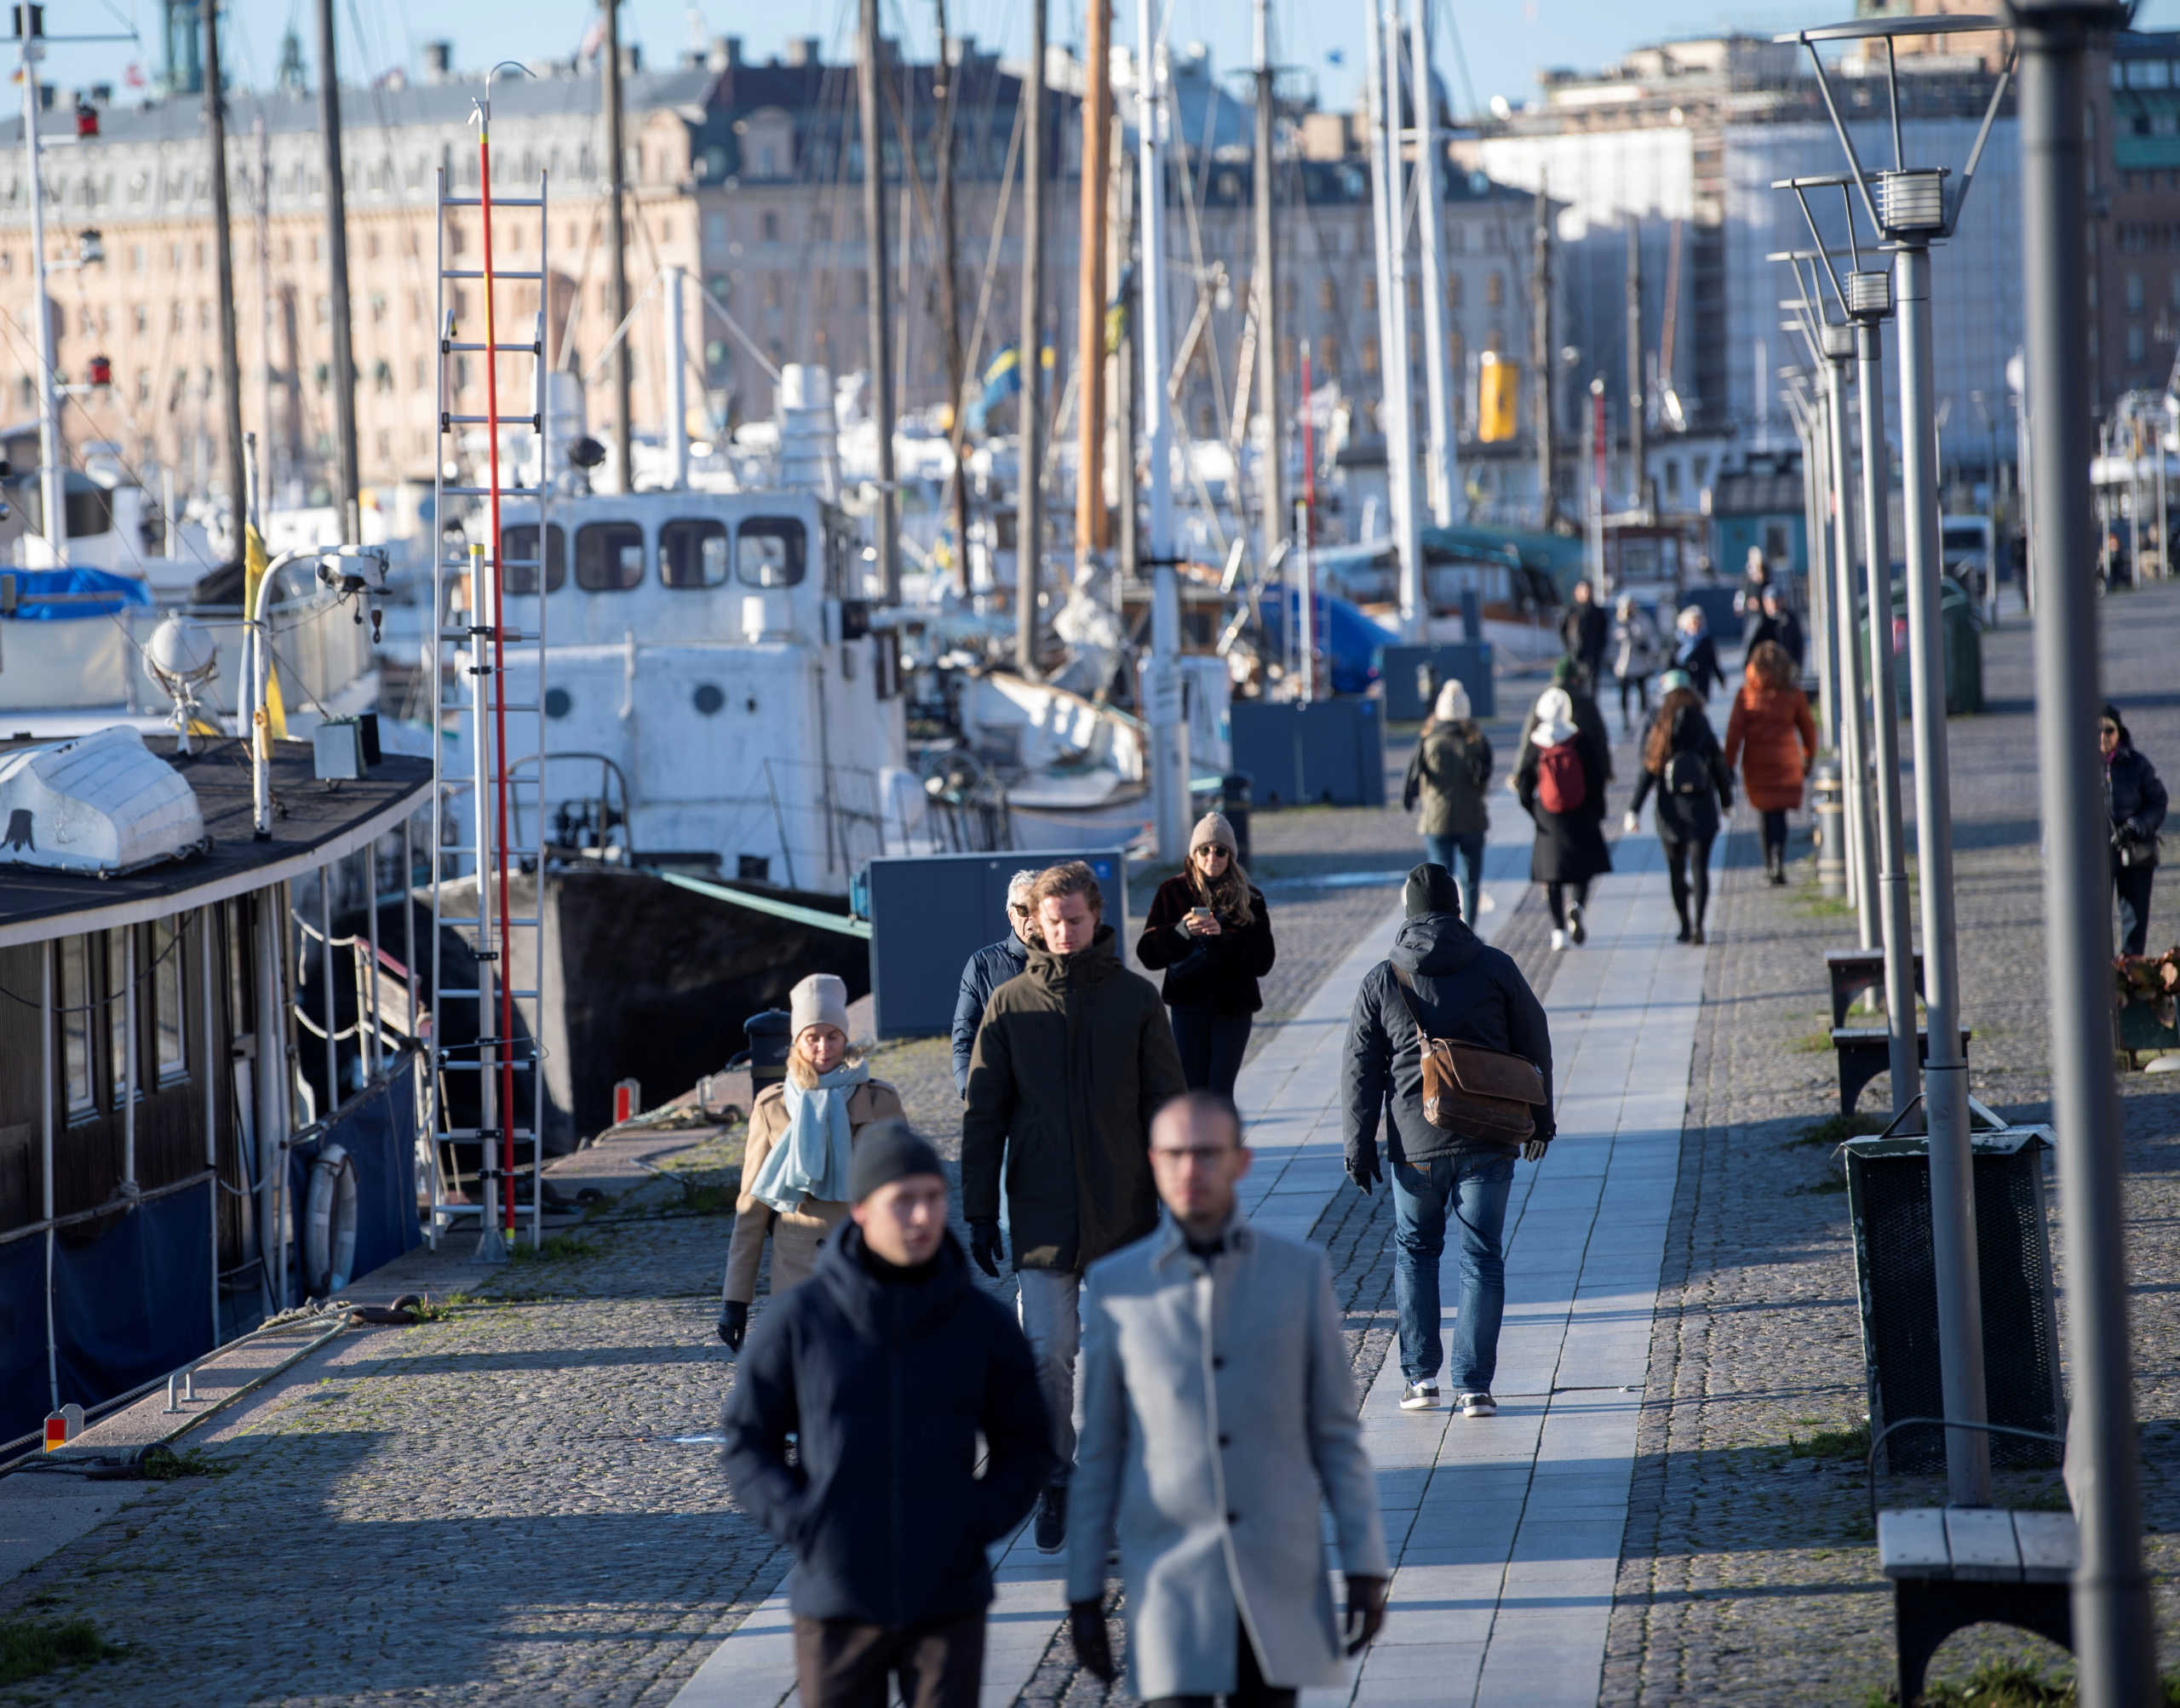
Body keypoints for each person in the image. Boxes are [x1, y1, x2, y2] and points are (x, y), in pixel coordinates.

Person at [1066, 1092, 1390, 1706]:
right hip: (1170, 1586)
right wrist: (1084, 1590)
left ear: (1241, 1162)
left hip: (1277, 1574)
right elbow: (1102, 1449)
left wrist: (1365, 1565)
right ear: (1153, 1164)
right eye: (1176, 1155)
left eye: (1208, 1154)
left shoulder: (1298, 1273)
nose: (1192, 1170)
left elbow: (1335, 1435)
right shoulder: (1117, 1285)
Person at [720, 1123, 1056, 1708]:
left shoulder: (983, 1323)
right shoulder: (801, 1321)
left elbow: (1026, 1445)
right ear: (861, 1212)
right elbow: (748, 1443)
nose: (923, 1217)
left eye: (932, 1198)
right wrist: (808, 1522)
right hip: (837, 1602)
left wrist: (973, 1522)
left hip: (948, 1600)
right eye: (903, 1201)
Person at [962, 859, 1187, 1553]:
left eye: (1075, 920)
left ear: (1095, 917)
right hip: (1040, 1212)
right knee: (1049, 1354)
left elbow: (1168, 1107)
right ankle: (1057, 1477)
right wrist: (977, 1209)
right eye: (1051, 921)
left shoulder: (1134, 1000)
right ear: (1035, 921)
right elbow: (983, 1115)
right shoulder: (1008, 1006)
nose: (1063, 932)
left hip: (1125, 1213)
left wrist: (1183, 1199)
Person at [1340, 866, 1555, 1416]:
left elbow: (1360, 1072)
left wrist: (1358, 1147)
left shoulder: (1383, 978)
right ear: (1458, 908)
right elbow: (1535, 1040)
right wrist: (1541, 1118)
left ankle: (1419, 1380)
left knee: (1415, 1252)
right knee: (1481, 1258)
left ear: (1408, 911)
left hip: (1416, 1146)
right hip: (1489, 1137)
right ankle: (1475, 1387)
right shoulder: (1495, 967)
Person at [719, 974, 906, 1352]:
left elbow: (906, 1195)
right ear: (797, 1042)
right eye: (812, 1037)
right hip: (797, 1271)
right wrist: (735, 1300)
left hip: (866, 1264)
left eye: (832, 1036)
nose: (823, 1048)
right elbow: (752, 1208)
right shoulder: (773, 1106)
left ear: (845, 1037)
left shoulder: (881, 1101)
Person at [1136, 813, 1276, 1098]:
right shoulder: (1172, 891)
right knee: (1193, 1090)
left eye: (1220, 850)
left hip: (1234, 1007)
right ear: (1194, 853)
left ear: (1231, 856)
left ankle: (1225, 1144)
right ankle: (1199, 1144)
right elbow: (1148, 954)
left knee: (1221, 1092)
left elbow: (1263, 961)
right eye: (1205, 849)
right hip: (1188, 1005)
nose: (1212, 856)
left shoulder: (1251, 898)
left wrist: (1222, 938)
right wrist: (1181, 932)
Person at [1625, 680, 1734, 944]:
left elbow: (1648, 773)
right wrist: (1726, 801)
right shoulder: (1702, 725)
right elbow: (1719, 765)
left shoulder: (1662, 727)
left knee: (1676, 871)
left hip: (1670, 812)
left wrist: (1633, 810)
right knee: (1700, 869)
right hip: (1701, 809)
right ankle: (1699, 925)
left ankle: (1684, 925)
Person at [1516, 685, 1612, 951]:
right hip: (1580, 812)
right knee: (1582, 869)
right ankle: (1578, 906)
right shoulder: (1580, 740)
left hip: (1548, 816)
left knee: (1552, 876)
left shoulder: (1537, 743)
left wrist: (1534, 809)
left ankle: (1558, 930)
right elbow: (1596, 779)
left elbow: (1523, 784)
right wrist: (1597, 810)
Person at [1724, 639, 1819, 886]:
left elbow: (1735, 732)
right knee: (1781, 814)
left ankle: (1769, 863)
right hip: (1786, 759)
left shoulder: (1746, 695)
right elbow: (1808, 728)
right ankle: (1779, 859)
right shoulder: (1793, 694)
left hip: (1757, 761)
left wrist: (1728, 764)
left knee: (1766, 814)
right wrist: (1808, 756)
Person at [1402, 679, 1493, 926]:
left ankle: (1442, 930)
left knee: (1440, 882)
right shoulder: (1476, 741)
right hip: (1472, 819)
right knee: (1470, 881)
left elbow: (1411, 778)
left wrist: (1409, 800)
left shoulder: (1428, 740)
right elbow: (1485, 774)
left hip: (1437, 820)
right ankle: (1470, 931)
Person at [951, 869, 1043, 1098]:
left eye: (1038, 908)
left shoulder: (1068, 960)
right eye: (1024, 909)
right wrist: (970, 1092)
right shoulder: (982, 965)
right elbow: (964, 1038)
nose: (1031, 917)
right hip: (1005, 1103)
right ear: (1011, 915)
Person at [2104, 702, 2169, 956]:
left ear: (2119, 732)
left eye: (2109, 730)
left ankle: (2132, 981)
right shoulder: (2078, 767)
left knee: (2135, 921)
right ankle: (2103, 980)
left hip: (2135, 852)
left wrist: (2135, 827)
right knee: (2095, 923)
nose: (2103, 737)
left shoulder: (2137, 764)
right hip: (2097, 853)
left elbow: (2158, 802)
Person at [1610, 593, 1661, 737]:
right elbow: (1612, 643)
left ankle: (1643, 718)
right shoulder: (1617, 623)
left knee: (1642, 692)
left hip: (1641, 664)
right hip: (1623, 665)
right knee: (1624, 694)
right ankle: (1625, 719)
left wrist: (1649, 648)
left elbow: (1652, 637)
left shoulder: (1643, 620)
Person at [1558, 578, 1609, 690]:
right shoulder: (1571, 610)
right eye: (1584, 591)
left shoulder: (1597, 611)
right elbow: (1562, 630)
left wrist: (1599, 649)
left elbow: (1603, 632)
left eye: (1589, 591)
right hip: (1575, 654)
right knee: (1576, 686)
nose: (1587, 594)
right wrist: (1569, 648)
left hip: (1592, 655)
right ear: (1577, 592)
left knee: (1592, 686)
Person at [1671, 605, 1726, 702]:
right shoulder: (1678, 640)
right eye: (1693, 623)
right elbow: (1671, 660)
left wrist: (1720, 678)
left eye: (1698, 623)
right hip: (1684, 680)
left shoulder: (1705, 639)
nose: (1696, 626)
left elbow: (1712, 660)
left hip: (1702, 679)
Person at [1750, 586, 1806, 673]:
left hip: (1785, 669)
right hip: (1765, 669)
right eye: (1772, 601)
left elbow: (1798, 644)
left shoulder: (1790, 620)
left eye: (1778, 600)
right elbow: (1750, 645)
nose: (1775, 604)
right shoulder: (1759, 621)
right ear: (1765, 602)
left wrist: (1797, 666)